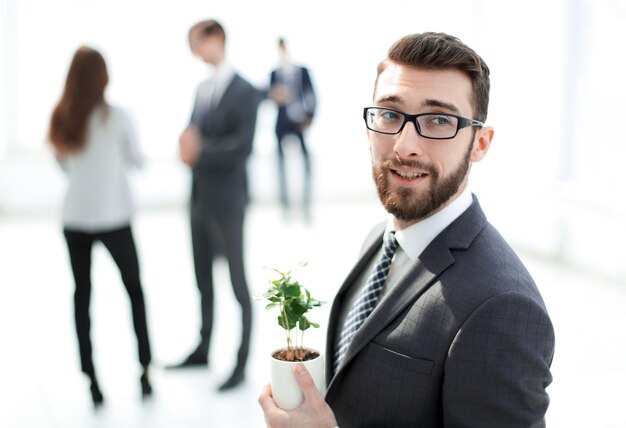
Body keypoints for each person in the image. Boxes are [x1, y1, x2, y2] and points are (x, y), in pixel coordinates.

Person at [259, 32, 555, 427]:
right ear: (368, 127)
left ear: (480, 143)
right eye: (390, 114)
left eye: (438, 120)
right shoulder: (382, 239)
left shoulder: (502, 306)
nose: (404, 145)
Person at [48, 46, 153, 406]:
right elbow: (137, 160)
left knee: (82, 295)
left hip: (75, 219)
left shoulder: (62, 117)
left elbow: (62, 165)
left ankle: (91, 378)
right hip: (115, 219)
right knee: (135, 291)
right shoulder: (118, 118)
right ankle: (145, 370)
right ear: (104, 77)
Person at [168, 18, 260, 392]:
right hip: (199, 198)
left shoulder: (246, 90)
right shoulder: (202, 87)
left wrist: (200, 150)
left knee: (237, 283)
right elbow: (194, 133)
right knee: (202, 278)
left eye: (198, 42)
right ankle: (203, 348)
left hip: (228, 200)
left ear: (217, 38)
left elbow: (243, 147)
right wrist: (186, 146)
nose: (195, 51)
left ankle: (240, 362)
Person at [267, 37, 317, 221]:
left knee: (306, 163)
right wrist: (274, 96)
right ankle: (285, 208)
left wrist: (310, 116)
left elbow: (311, 94)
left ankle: (305, 206)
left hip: (299, 121)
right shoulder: (274, 73)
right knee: (279, 166)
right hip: (282, 123)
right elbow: (268, 95)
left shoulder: (302, 71)